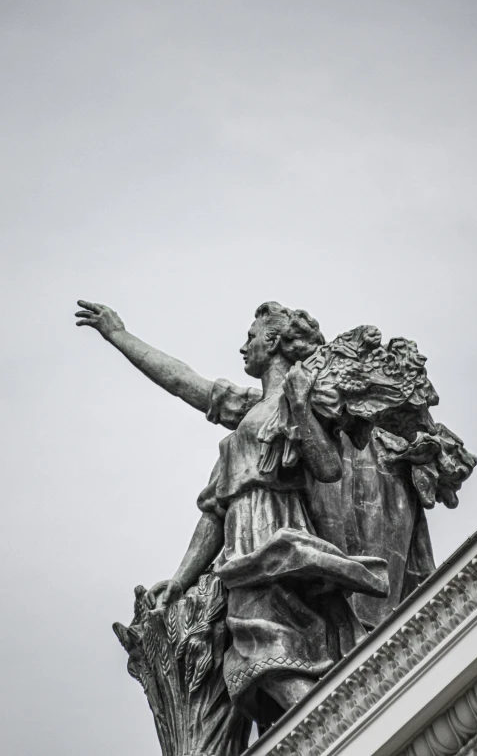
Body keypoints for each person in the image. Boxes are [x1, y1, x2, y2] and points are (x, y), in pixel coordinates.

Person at [75, 299, 389, 723]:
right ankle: (330, 729)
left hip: (274, 544)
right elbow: (184, 387)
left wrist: (299, 409)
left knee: (267, 655)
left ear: (274, 342)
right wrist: (118, 335)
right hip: (242, 550)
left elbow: (330, 468)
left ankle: (339, 730)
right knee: (261, 660)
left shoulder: (299, 399)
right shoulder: (247, 411)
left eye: (251, 337)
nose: (244, 347)